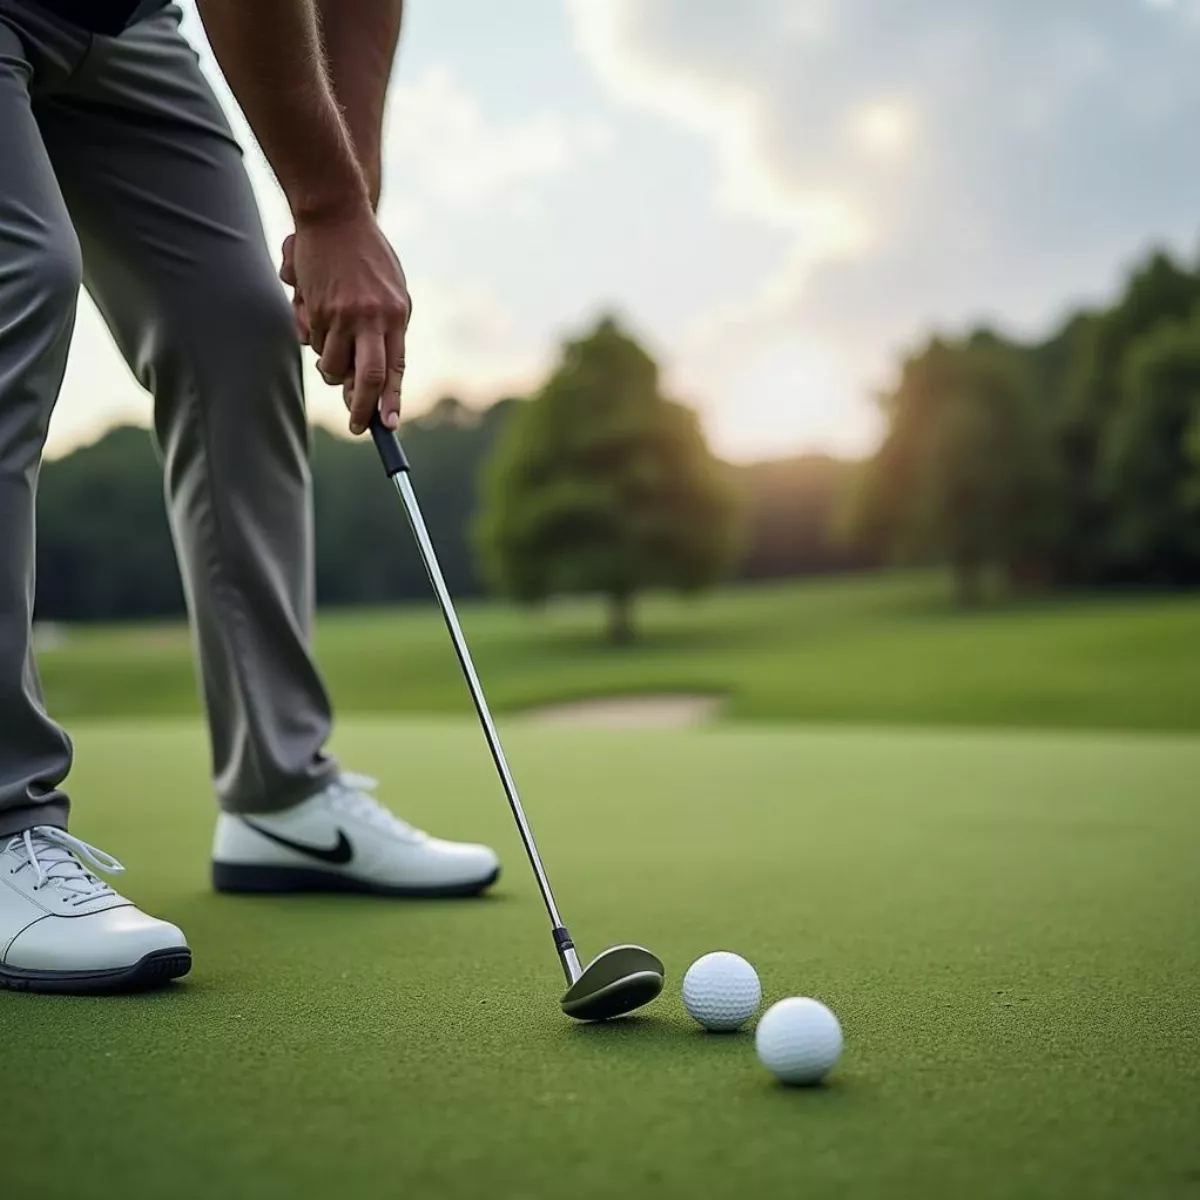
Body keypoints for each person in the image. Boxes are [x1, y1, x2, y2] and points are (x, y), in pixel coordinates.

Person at [0, 0, 501, 996]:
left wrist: (345, 207)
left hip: (122, 21)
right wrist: (327, 212)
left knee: (239, 321)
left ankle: (280, 791)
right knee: (22, 273)